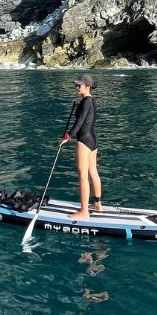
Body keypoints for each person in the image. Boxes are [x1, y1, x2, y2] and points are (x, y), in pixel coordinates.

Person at [62, 74, 101, 220]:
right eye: (76, 85)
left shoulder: (86, 102)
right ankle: (97, 205)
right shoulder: (91, 101)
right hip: (93, 139)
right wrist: (80, 107)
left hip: (84, 140)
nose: (77, 87)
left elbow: (79, 122)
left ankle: (84, 212)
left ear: (87, 86)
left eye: (80, 85)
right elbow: (88, 117)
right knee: (93, 173)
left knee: (83, 177)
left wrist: (68, 137)